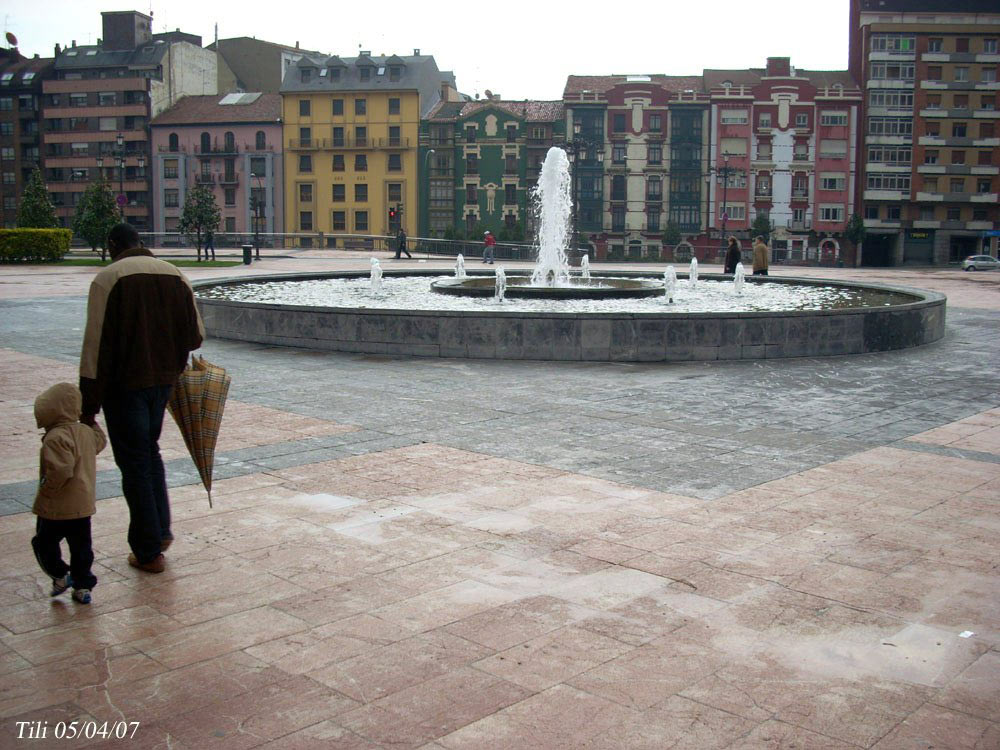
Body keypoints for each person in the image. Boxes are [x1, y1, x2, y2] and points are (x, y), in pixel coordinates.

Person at [79, 223, 204, 574]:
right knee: (150, 451)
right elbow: (195, 336)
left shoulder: (108, 279)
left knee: (134, 463)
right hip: (162, 384)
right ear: (141, 242)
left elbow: (95, 347)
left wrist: (88, 407)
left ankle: (148, 550)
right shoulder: (174, 274)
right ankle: (160, 533)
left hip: (124, 387)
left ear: (113, 244)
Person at [31, 383, 107, 605]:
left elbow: (61, 470)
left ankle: (61, 575)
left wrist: (47, 489)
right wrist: (91, 423)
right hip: (83, 506)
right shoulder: (84, 432)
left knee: (43, 543)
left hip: (57, 507)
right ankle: (83, 586)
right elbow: (100, 442)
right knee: (81, 547)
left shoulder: (55, 437)